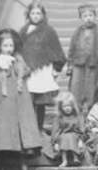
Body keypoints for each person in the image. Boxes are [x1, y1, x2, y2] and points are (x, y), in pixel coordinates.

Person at [0, 28, 44, 170]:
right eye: (6, 46)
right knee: (4, 141)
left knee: (23, 140)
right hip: (3, 107)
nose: (9, 49)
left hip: (21, 106)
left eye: (11, 45)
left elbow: (27, 82)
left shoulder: (19, 61)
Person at [19, 1, 66, 132]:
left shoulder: (49, 31)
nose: (35, 16)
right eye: (33, 13)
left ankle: (39, 127)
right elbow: (19, 49)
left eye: (38, 13)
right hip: (28, 70)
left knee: (40, 101)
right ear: (28, 14)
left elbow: (56, 50)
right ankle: (28, 129)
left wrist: (56, 68)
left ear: (43, 15)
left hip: (42, 70)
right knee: (28, 100)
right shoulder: (23, 30)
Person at [67, 4, 98, 112]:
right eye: (85, 16)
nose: (88, 18)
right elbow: (71, 49)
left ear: (95, 17)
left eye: (90, 15)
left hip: (94, 65)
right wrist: (70, 65)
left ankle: (92, 111)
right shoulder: (77, 32)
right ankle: (77, 111)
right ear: (81, 18)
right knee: (77, 87)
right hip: (79, 64)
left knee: (92, 88)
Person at [50, 92, 85, 167]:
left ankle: (75, 157)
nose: (67, 108)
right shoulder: (59, 117)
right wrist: (55, 142)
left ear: (73, 106)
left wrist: (81, 140)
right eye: (64, 106)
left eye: (69, 106)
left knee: (71, 136)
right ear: (60, 107)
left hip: (75, 135)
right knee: (65, 137)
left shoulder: (77, 116)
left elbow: (80, 129)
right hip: (62, 137)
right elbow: (55, 130)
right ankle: (64, 160)